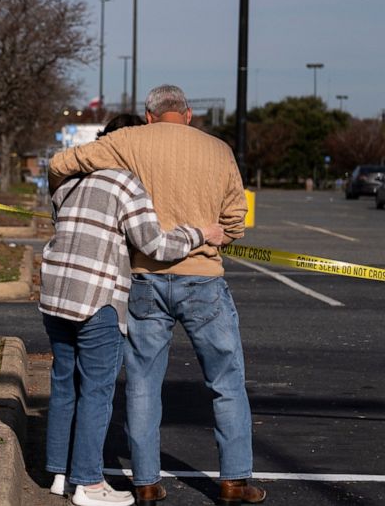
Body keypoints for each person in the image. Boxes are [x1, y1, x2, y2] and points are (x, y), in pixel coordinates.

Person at [48, 86, 265, 506]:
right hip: (204, 280)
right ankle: (234, 481)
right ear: (186, 114)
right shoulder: (219, 150)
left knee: (144, 384)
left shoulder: (128, 141)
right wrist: (211, 234)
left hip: (144, 279)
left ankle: (146, 481)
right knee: (226, 382)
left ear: (149, 116)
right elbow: (235, 222)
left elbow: (61, 162)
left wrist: (61, 205)